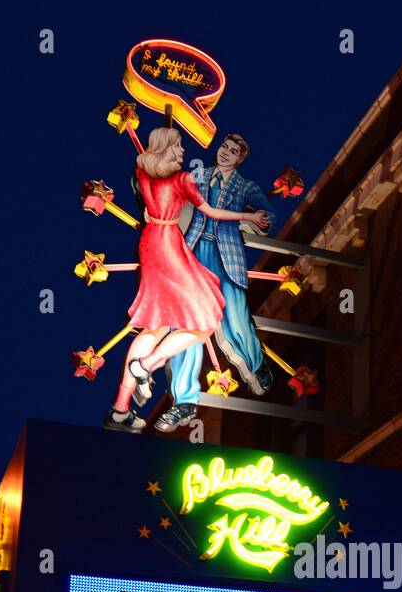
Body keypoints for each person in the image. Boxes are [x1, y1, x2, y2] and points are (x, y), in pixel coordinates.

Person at [105, 127, 270, 433]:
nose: (184, 152)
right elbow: (211, 212)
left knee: (154, 327)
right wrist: (247, 218)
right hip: (172, 246)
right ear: (166, 147)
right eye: (178, 145)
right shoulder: (185, 179)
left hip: (152, 243)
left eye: (233, 151)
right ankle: (147, 367)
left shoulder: (142, 173)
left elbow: (146, 206)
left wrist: (257, 220)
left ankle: (120, 409)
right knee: (204, 320)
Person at [155, 132, 276, 433]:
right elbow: (171, 196)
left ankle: (255, 365)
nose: (225, 153)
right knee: (187, 328)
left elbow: (268, 216)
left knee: (235, 320)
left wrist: (255, 219)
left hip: (226, 259)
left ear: (239, 159)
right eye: (224, 147)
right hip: (194, 253)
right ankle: (184, 399)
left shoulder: (245, 187)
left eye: (233, 151)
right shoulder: (198, 177)